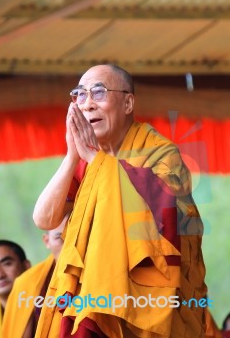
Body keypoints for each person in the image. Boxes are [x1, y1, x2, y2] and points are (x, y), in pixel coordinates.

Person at [33, 64, 207, 337]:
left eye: (98, 93)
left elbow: (168, 222)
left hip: (147, 303)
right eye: (79, 95)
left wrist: (95, 160)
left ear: (128, 102)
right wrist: (72, 156)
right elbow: (44, 219)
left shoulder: (161, 154)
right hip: (97, 297)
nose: (87, 104)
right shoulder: (89, 161)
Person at [2, 214, 69, 338]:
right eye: (60, 238)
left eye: (73, 237)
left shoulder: (96, 276)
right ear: (46, 241)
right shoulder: (27, 282)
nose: (67, 245)